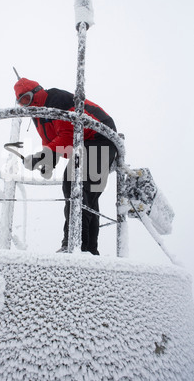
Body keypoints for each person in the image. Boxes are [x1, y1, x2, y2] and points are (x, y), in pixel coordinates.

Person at [14, 77, 117, 255]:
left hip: (99, 136)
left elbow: (68, 134)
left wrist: (41, 156)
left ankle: (75, 245)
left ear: (37, 92)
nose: (26, 105)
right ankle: (88, 250)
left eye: (27, 99)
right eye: (21, 102)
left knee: (75, 182)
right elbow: (52, 142)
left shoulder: (55, 100)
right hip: (85, 143)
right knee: (87, 194)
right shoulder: (39, 116)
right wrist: (47, 163)